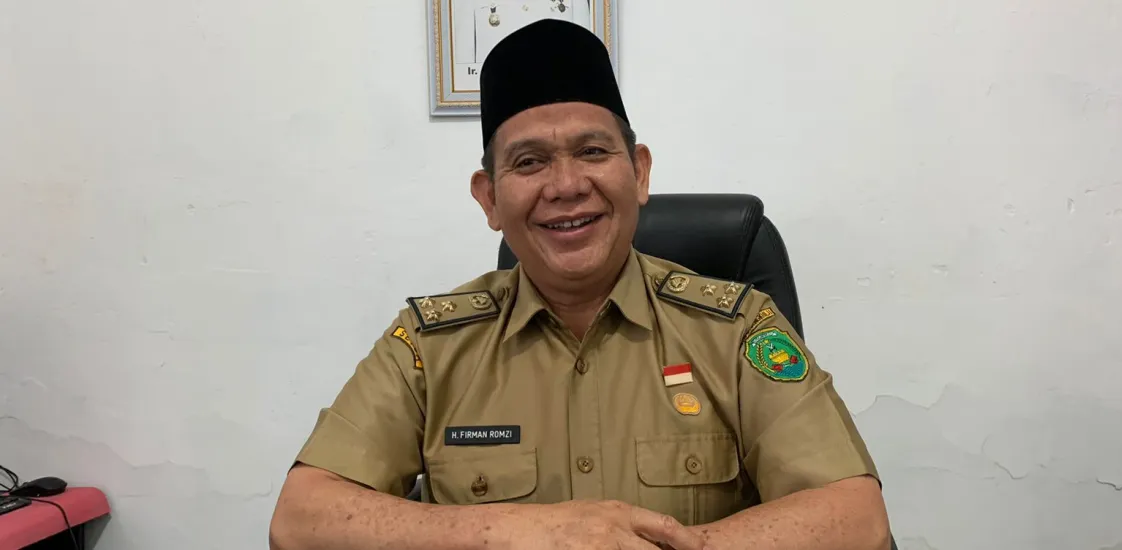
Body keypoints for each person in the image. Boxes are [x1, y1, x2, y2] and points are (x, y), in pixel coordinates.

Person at [269, 19, 890, 550]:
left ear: (639, 173)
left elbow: (856, 518)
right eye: (529, 162)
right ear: (490, 199)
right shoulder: (430, 348)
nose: (566, 186)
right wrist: (511, 530)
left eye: (592, 151)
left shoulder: (736, 329)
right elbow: (300, 519)